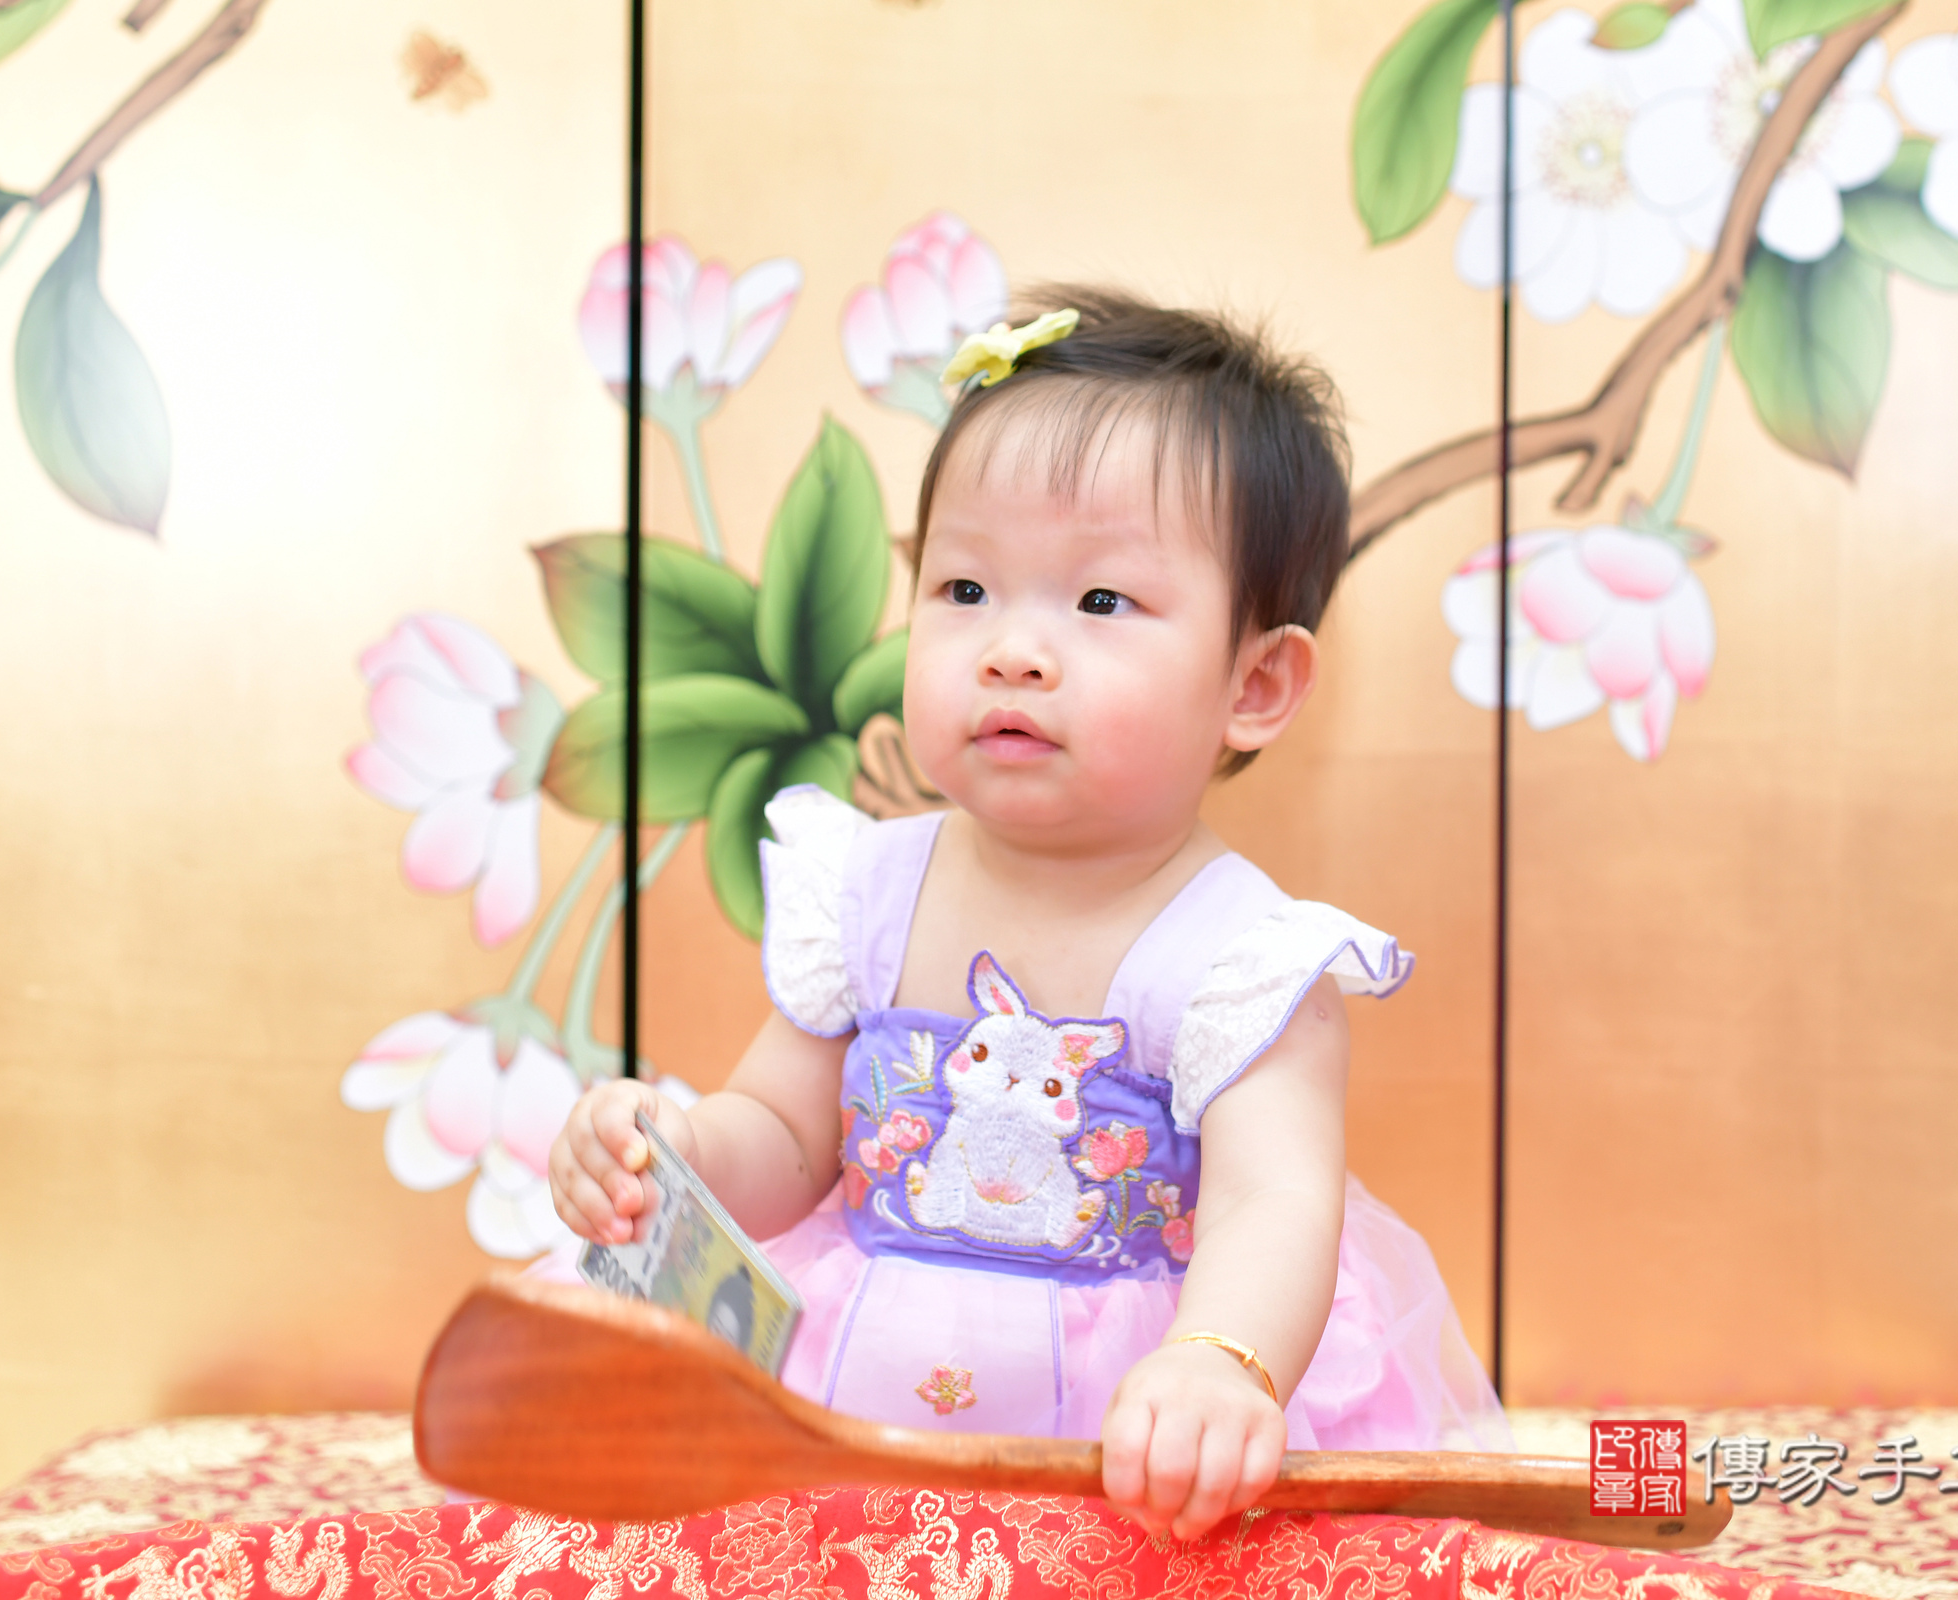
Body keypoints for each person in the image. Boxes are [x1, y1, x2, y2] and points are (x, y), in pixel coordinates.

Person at [549, 288, 1510, 1541]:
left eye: (1100, 603)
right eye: (963, 587)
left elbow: (1272, 1205)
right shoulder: (868, 890)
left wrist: (1219, 1360)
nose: (1010, 650)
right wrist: (674, 1155)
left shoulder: (1244, 961)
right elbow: (785, 1135)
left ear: (1256, 680)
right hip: (857, 1392)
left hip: (1125, 1423)